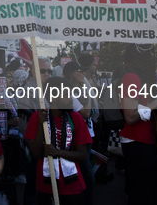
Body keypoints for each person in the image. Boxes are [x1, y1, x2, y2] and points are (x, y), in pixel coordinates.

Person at [25, 77, 92, 205]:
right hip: (45, 186)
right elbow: (36, 153)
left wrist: (58, 152)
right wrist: (41, 124)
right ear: (54, 97)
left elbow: (82, 154)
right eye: (67, 95)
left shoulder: (76, 118)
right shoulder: (37, 117)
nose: (71, 99)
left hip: (73, 186)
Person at [119, 43, 157, 205]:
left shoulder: (144, 77)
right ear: (139, 57)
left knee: (153, 186)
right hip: (136, 141)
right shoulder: (131, 78)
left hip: (146, 139)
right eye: (150, 53)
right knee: (141, 192)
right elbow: (130, 116)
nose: (153, 56)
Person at [62, 61, 95, 205]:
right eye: (78, 70)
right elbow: (86, 113)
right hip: (77, 137)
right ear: (69, 73)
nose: (82, 73)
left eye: (83, 70)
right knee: (87, 173)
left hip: (89, 133)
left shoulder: (82, 90)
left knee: (84, 170)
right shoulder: (69, 92)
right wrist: (88, 96)